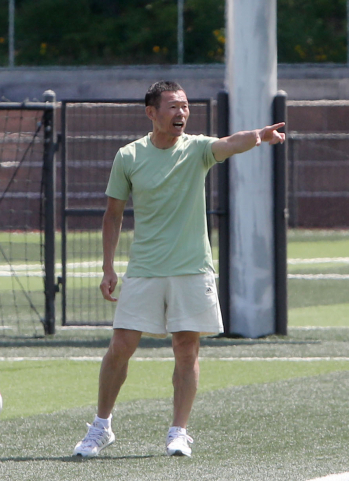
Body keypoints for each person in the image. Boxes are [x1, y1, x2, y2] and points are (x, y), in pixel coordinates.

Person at [73, 80, 285, 458]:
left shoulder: (198, 149)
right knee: (120, 347)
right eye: (173, 106)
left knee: (186, 349)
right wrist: (108, 266)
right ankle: (101, 427)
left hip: (191, 269)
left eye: (185, 106)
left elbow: (229, 142)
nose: (181, 113)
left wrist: (259, 135)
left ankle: (178, 431)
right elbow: (113, 214)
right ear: (151, 112)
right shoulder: (129, 156)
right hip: (144, 270)